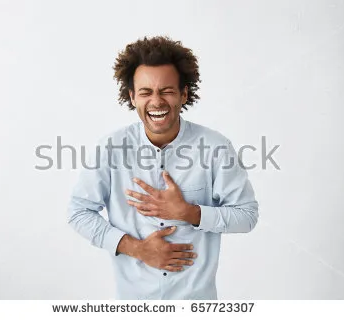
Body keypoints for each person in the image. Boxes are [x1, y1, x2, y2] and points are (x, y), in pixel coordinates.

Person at [68, 35, 259, 300]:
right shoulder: (111, 147)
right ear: (132, 97)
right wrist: (135, 248)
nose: (156, 101)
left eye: (167, 91)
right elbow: (78, 212)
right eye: (145, 92)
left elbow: (247, 216)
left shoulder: (216, 146)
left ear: (183, 94)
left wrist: (189, 213)